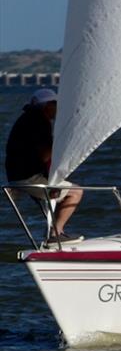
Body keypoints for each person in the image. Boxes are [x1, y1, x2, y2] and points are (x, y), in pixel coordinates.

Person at [4, 88, 83, 244]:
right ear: (47, 106)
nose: (58, 109)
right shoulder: (39, 122)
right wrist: (62, 145)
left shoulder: (26, 119)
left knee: (57, 191)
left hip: (17, 177)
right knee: (76, 192)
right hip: (29, 178)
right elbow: (45, 154)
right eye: (56, 105)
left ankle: (53, 233)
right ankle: (55, 234)